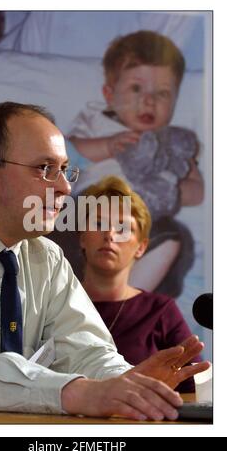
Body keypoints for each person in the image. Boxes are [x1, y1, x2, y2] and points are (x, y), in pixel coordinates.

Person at [0, 102, 209, 421]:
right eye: (45, 169)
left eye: (66, 169)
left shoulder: (48, 257)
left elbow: (88, 351)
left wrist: (129, 384)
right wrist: (77, 393)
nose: (65, 187)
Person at [68, 30, 204, 297]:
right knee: (49, 223)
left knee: (173, 238)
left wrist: (173, 189)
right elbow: (66, 153)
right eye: (136, 88)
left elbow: (198, 192)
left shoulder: (173, 143)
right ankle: (75, 294)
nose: (149, 100)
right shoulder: (96, 121)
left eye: (163, 93)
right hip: (90, 210)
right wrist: (106, 146)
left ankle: (126, 304)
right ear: (109, 94)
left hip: (141, 219)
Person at [79, 175, 201, 393]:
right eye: (99, 223)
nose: (109, 234)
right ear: (82, 237)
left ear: (141, 247)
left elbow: (198, 387)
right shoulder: (54, 301)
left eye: (123, 229)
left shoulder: (161, 311)